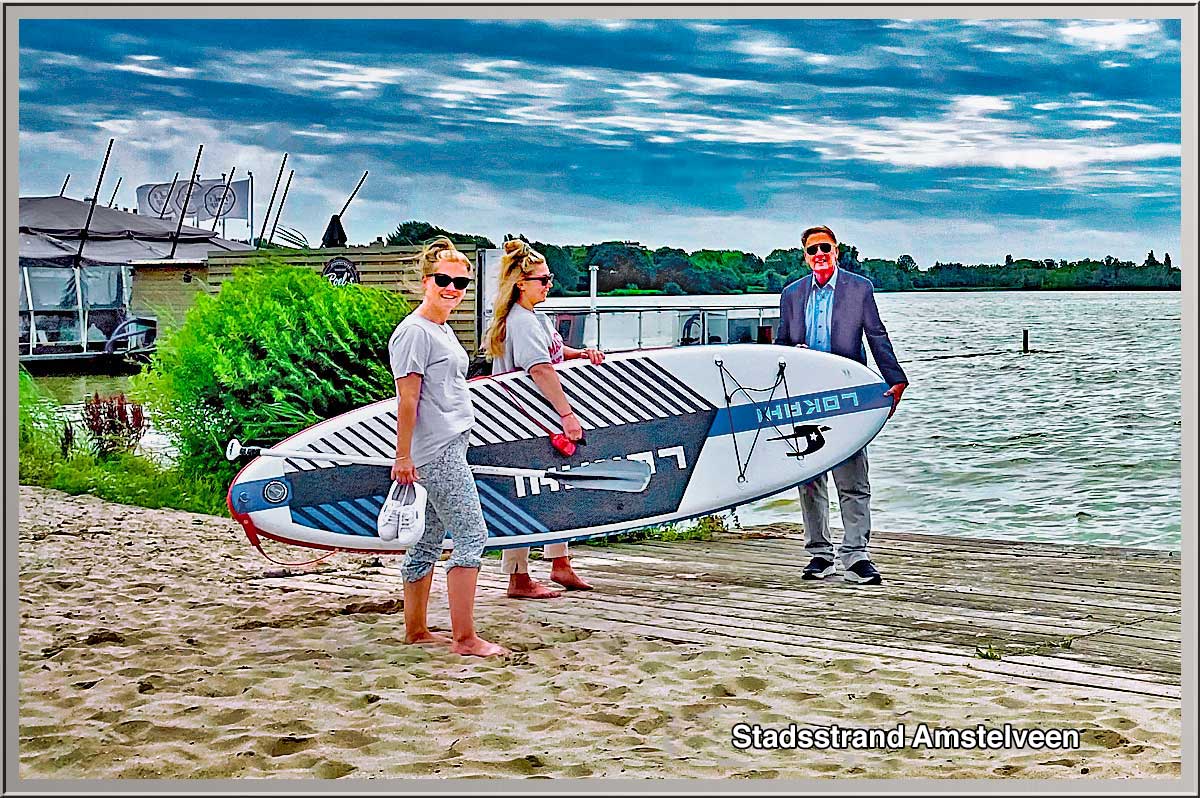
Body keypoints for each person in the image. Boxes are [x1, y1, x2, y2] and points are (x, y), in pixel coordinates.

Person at [389, 236, 507, 656]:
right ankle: (465, 638)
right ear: (426, 280)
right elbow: (408, 399)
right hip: (435, 450)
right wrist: (403, 456)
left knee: (427, 539)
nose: (452, 289)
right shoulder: (414, 333)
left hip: (452, 442)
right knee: (473, 535)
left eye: (460, 282)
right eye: (443, 279)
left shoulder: (440, 329)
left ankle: (416, 631)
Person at [775, 225, 908, 586]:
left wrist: (895, 378)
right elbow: (781, 345)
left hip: (846, 395)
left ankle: (856, 555)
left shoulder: (859, 289)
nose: (820, 254)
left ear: (837, 251)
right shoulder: (790, 295)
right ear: (804, 255)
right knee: (810, 477)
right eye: (812, 249)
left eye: (826, 248)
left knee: (852, 476)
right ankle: (819, 553)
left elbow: (876, 334)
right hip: (803, 397)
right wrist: (790, 354)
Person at [483, 239, 605, 599]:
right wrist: (568, 415)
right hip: (526, 420)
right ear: (521, 283)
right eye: (544, 279)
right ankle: (518, 579)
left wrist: (580, 353)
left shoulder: (535, 317)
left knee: (557, 486)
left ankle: (560, 563)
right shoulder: (520, 322)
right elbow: (539, 369)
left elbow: (552, 352)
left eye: (549, 278)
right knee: (528, 494)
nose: (550, 284)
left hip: (540, 418)